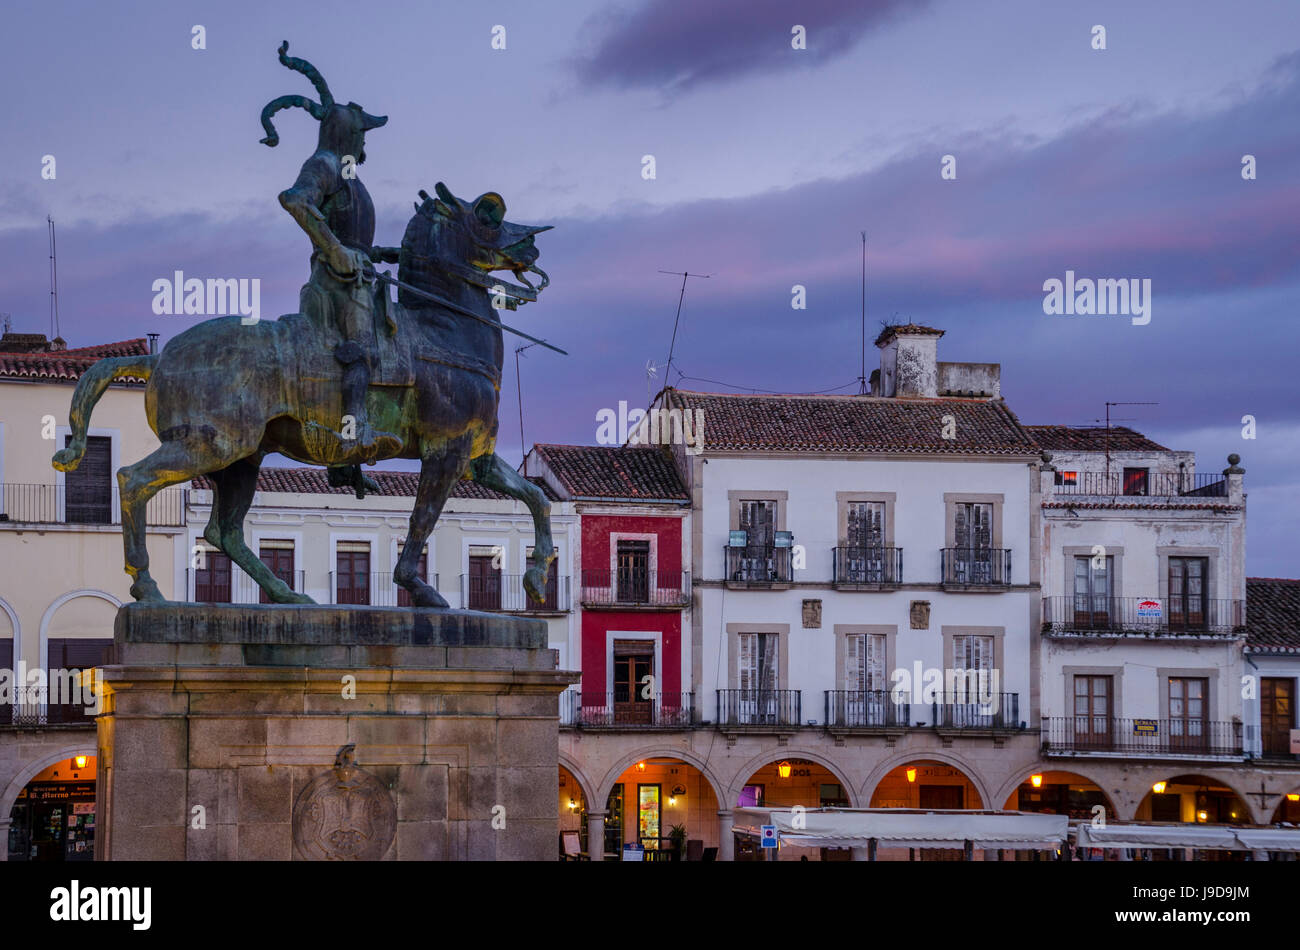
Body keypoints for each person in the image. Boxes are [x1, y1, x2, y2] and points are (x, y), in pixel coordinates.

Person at [258, 42, 402, 492]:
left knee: (381, 350)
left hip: (359, 277)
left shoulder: (349, 176)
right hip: (335, 286)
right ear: (345, 134)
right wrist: (336, 252)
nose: (364, 142)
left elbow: (353, 238)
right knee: (359, 348)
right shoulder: (323, 165)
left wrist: (379, 254)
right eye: (361, 134)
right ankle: (351, 436)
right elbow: (295, 200)